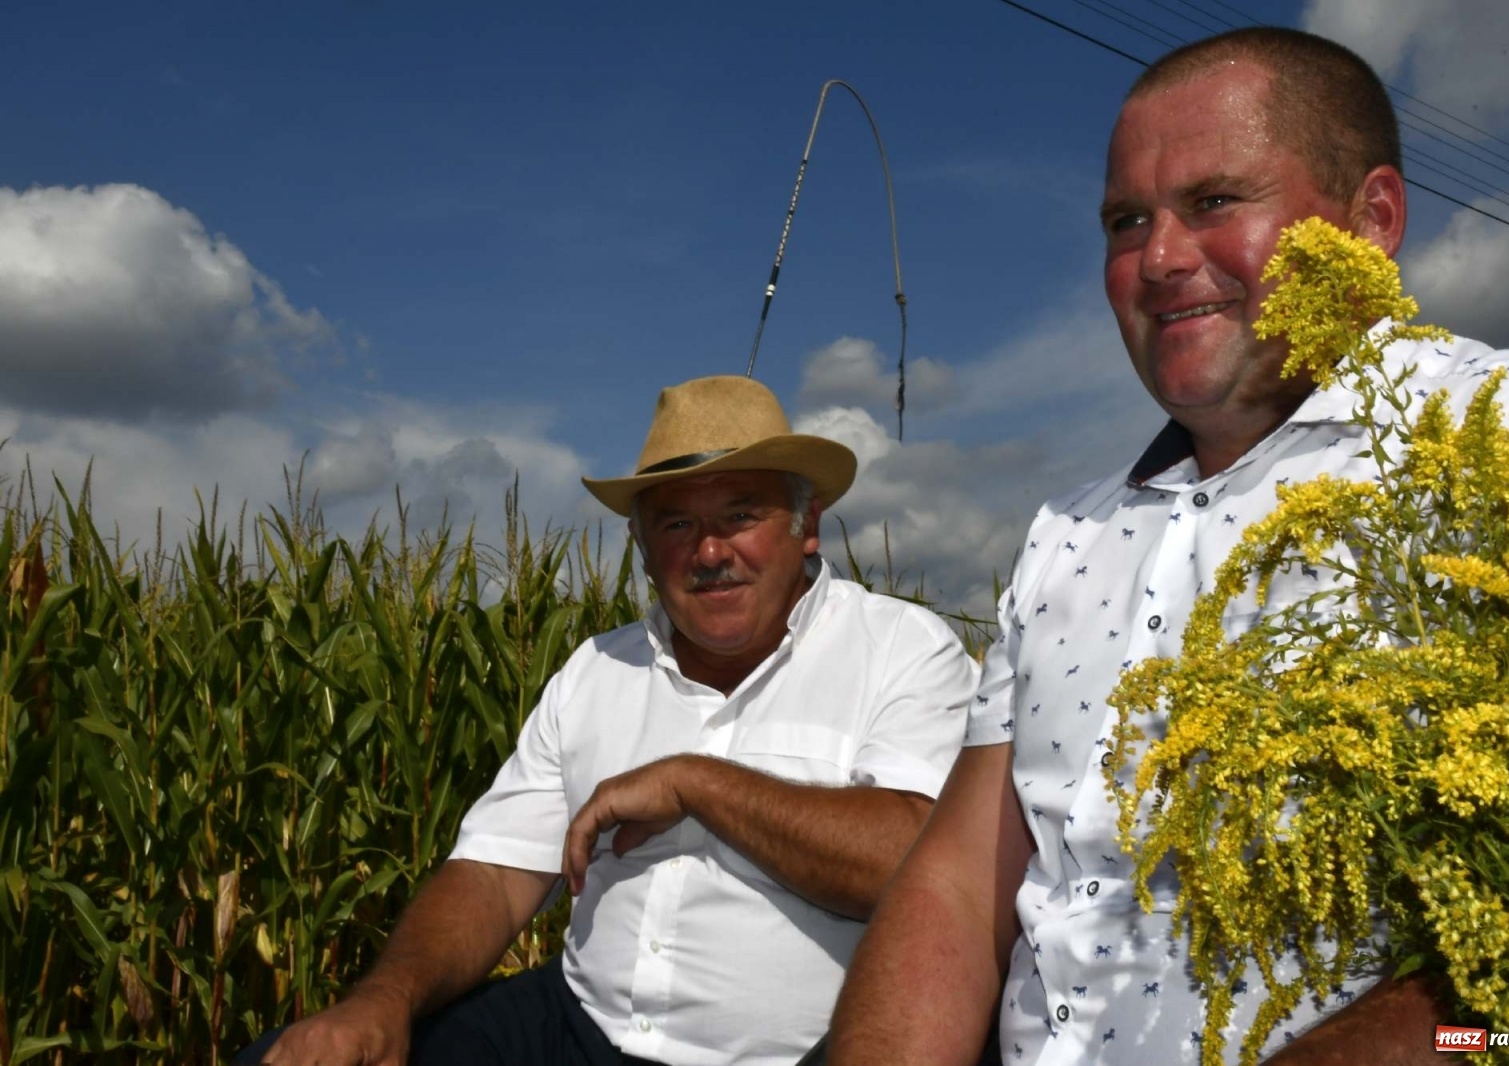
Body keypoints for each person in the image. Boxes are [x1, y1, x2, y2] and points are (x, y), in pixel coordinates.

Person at [827, 27, 1509, 1066]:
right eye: (1124, 220)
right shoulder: (1065, 536)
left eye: (1216, 201)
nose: (1158, 258)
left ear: (1371, 219)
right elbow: (960, 885)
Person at [243, 374, 977, 1066]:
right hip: (578, 1028)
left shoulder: (902, 651)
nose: (711, 551)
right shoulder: (595, 670)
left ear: (805, 524)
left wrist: (696, 784)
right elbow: (497, 874)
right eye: (678, 523)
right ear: (642, 546)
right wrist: (383, 1000)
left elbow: (916, 864)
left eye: (742, 516)